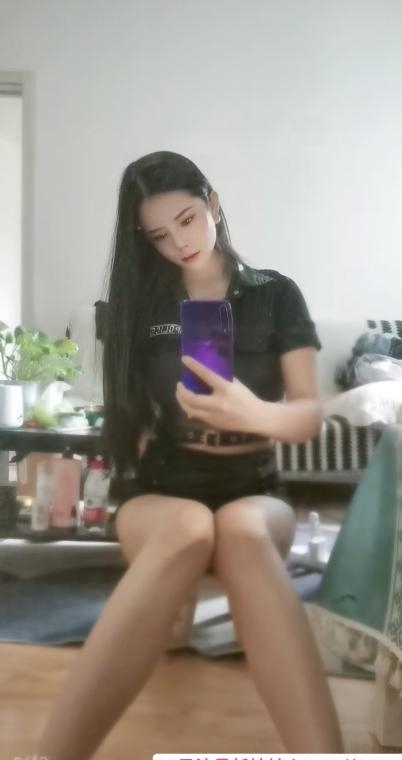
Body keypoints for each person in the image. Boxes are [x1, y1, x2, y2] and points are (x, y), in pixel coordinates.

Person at [38, 151, 343, 757]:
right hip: (162, 486)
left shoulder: (276, 294)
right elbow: (127, 420)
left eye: (186, 219)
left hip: (253, 484)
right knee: (188, 527)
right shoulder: (141, 304)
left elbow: (309, 414)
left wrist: (250, 413)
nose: (179, 244)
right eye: (158, 235)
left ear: (213, 203)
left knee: (241, 533)